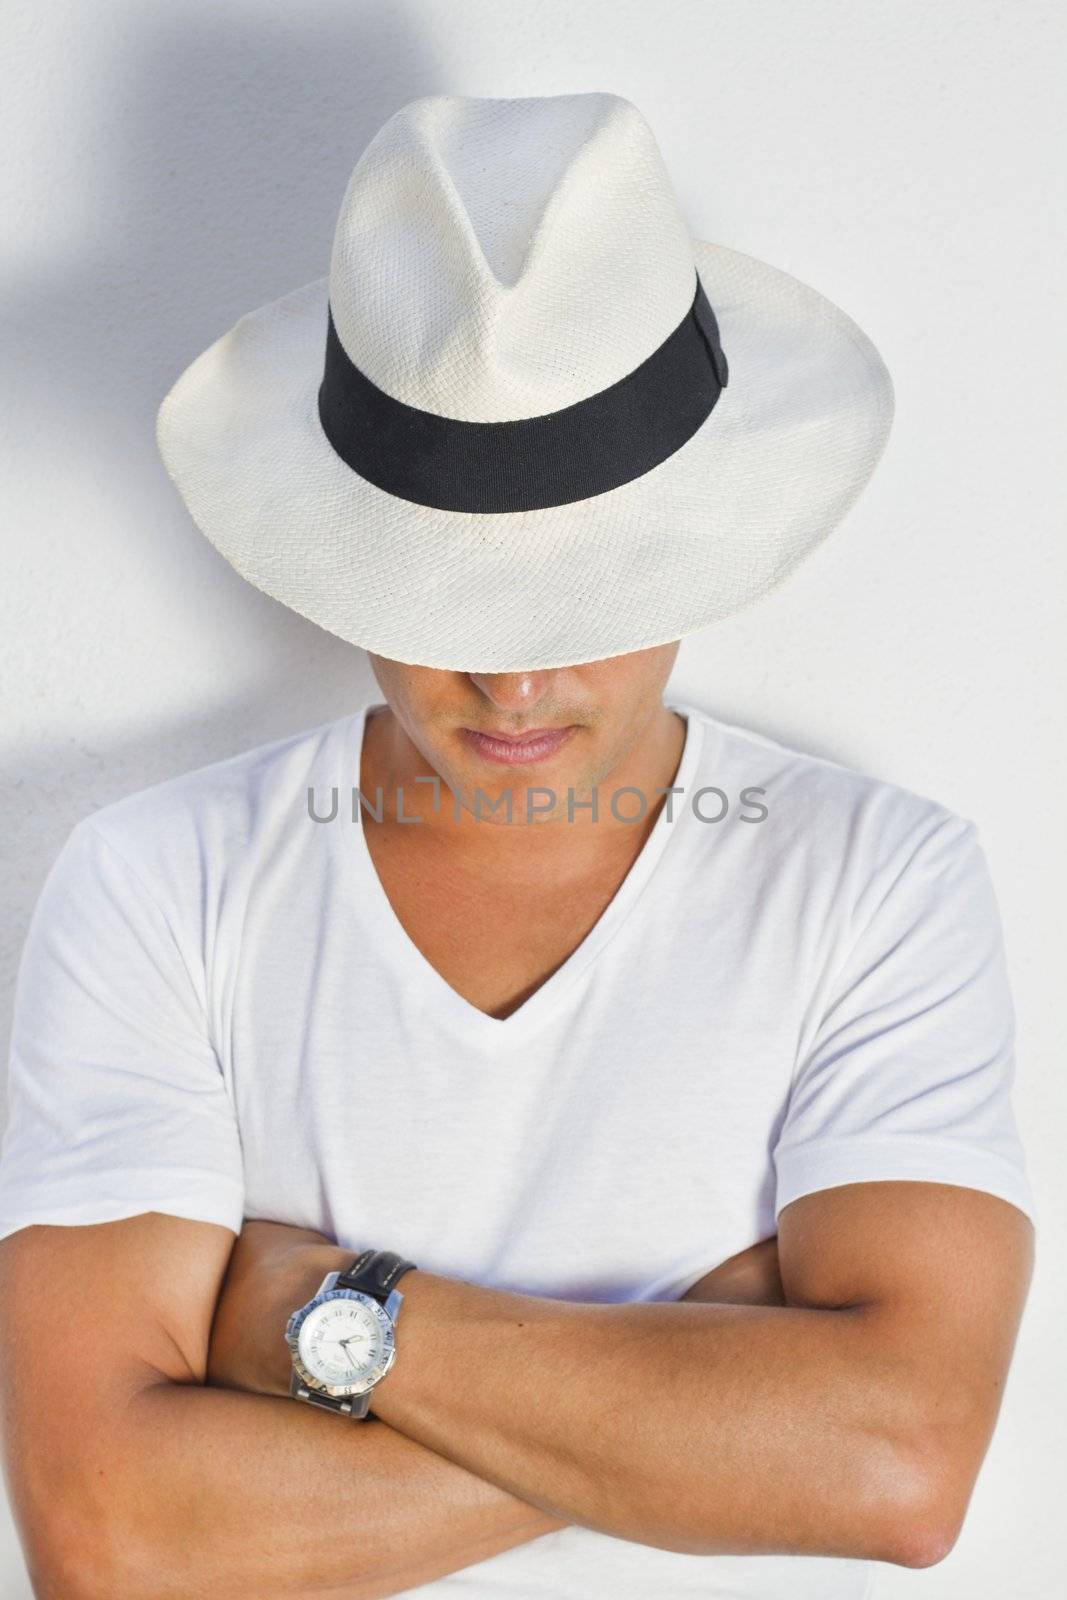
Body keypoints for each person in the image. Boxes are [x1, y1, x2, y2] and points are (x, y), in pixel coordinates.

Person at [0, 92, 1036, 1600]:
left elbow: (895, 1472)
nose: (517, 685)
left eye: (586, 602)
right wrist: (710, 1392)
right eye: (448, 606)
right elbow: (112, 1541)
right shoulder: (159, 882)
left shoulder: (878, 881)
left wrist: (315, 1312)